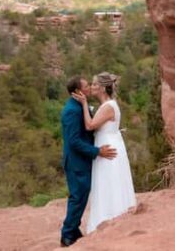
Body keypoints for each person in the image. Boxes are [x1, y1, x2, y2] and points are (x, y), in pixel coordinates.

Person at [72, 71, 137, 233]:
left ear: (102, 88)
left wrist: (85, 104)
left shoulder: (108, 106)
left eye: (94, 84)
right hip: (110, 143)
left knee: (109, 181)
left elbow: (90, 126)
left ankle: (110, 219)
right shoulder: (108, 105)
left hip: (107, 148)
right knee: (109, 181)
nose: (91, 87)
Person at [60, 76, 117, 247]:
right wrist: (97, 151)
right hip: (77, 161)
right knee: (78, 197)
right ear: (78, 91)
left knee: (82, 196)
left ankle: (74, 230)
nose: (90, 88)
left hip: (82, 161)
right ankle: (67, 235)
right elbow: (74, 141)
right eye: (86, 86)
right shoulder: (72, 110)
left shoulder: (78, 106)